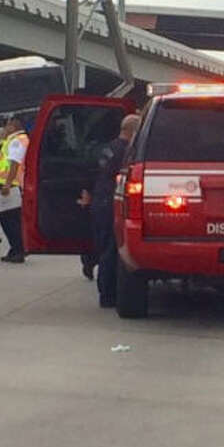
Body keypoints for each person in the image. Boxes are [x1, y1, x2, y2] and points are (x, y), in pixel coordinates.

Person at [78, 114, 141, 308]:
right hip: (112, 204)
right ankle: (108, 295)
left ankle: (105, 291)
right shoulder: (129, 153)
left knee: (105, 247)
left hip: (100, 202)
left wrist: (87, 193)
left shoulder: (108, 149)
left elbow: (93, 173)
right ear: (133, 131)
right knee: (112, 251)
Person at [0, 114, 30, 264]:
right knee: (11, 219)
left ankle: (18, 249)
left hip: (11, 185)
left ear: (13, 125)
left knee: (9, 219)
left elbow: (14, 164)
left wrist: (7, 184)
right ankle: (15, 249)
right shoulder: (20, 139)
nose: (5, 128)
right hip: (11, 184)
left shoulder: (16, 141)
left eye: (7, 125)